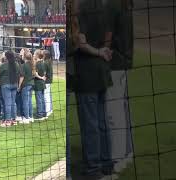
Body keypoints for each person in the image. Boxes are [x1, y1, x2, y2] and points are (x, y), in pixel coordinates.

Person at [72, 0, 114, 178]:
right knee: (102, 122)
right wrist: (103, 49)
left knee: (90, 125)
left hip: (87, 74)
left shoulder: (79, 12)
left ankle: (93, 168)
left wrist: (95, 51)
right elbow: (109, 35)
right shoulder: (104, 8)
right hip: (101, 71)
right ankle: (106, 163)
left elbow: (78, 43)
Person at [104, 0, 134, 172]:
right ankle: (127, 153)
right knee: (122, 109)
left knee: (113, 113)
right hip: (124, 63)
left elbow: (108, 35)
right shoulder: (125, 4)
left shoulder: (112, 5)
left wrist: (102, 52)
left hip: (115, 64)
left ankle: (117, 159)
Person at [0, 51, 24, 127]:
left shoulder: (3, 65)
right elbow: (21, 74)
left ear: (6, 57)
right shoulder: (16, 64)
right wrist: (18, 85)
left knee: (7, 103)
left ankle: (8, 120)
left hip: (6, 85)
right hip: (14, 85)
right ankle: (13, 120)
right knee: (13, 102)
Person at [19, 50, 35, 124]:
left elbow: (22, 77)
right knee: (29, 101)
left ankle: (26, 118)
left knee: (25, 101)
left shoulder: (24, 65)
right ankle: (31, 117)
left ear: (24, 57)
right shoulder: (32, 64)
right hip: (31, 84)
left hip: (25, 85)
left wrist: (19, 86)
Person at [33, 50, 47, 120]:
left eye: (35, 54)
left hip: (38, 83)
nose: (34, 55)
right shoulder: (43, 62)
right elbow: (45, 72)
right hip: (42, 83)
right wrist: (43, 77)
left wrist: (40, 77)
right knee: (42, 98)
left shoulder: (37, 63)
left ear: (37, 55)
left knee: (39, 99)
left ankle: (40, 114)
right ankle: (44, 113)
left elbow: (35, 73)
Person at [43, 50, 53, 116]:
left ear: (45, 56)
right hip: (49, 81)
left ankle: (47, 111)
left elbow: (44, 74)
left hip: (46, 82)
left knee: (46, 97)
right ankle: (50, 110)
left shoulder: (45, 63)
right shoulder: (49, 61)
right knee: (48, 96)